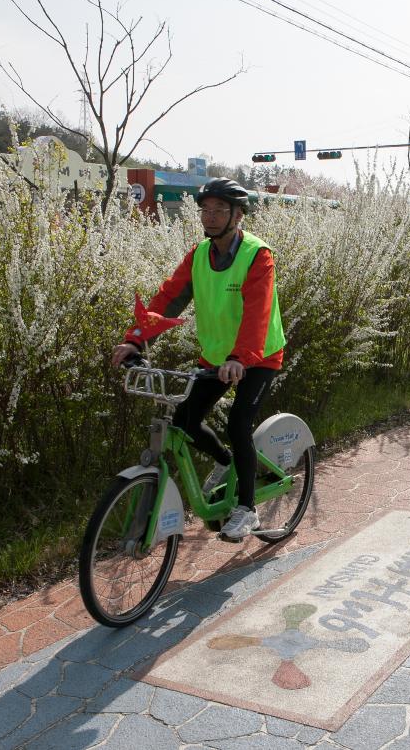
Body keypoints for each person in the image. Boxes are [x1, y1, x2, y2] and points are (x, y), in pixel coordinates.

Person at [110, 178, 286, 542]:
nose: (211, 216)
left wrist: (241, 357)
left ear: (238, 215)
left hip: (259, 357)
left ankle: (247, 509)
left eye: (220, 209)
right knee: (185, 420)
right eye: (206, 209)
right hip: (218, 356)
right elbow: (168, 299)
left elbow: (258, 310)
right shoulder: (198, 256)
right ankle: (228, 465)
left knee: (239, 423)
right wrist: (136, 340)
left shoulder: (257, 255)